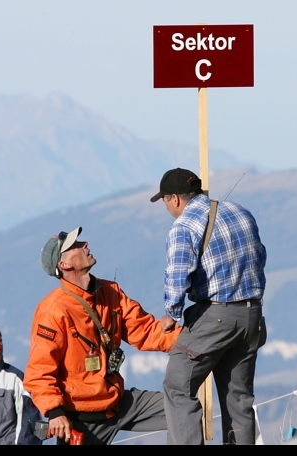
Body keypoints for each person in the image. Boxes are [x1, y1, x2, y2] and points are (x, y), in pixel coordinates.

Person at [23, 226, 182, 445]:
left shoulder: (111, 291)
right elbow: (39, 372)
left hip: (119, 402)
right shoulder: (53, 311)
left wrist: (193, 340)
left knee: (185, 410)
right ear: (64, 264)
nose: (85, 244)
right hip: (81, 420)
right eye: (76, 246)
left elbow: (145, 332)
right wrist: (54, 412)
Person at [150, 167, 267, 445]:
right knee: (237, 397)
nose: (167, 207)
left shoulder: (184, 226)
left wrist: (171, 313)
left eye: (165, 201)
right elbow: (259, 256)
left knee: (177, 386)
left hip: (215, 315)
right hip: (252, 314)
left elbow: (178, 276)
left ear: (175, 198)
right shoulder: (240, 211)